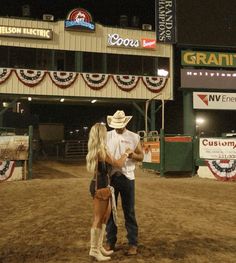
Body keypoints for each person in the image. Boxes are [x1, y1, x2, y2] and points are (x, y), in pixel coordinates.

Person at [86, 123, 132, 261]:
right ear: (101, 134)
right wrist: (126, 153)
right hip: (100, 185)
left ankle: (99, 247)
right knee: (98, 218)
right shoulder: (101, 151)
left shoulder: (100, 150)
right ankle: (94, 250)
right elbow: (117, 164)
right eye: (105, 131)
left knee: (104, 217)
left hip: (102, 184)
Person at [105, 110, 144, 256]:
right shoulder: (107, 136)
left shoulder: (134, 137)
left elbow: (141, 156)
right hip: (111, 178)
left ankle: (133, 243)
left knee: (129, 211)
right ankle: (110, 241)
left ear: (125, 123)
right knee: (110, 212)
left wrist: (133, 154)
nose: (118, 127)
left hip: (127, 177)